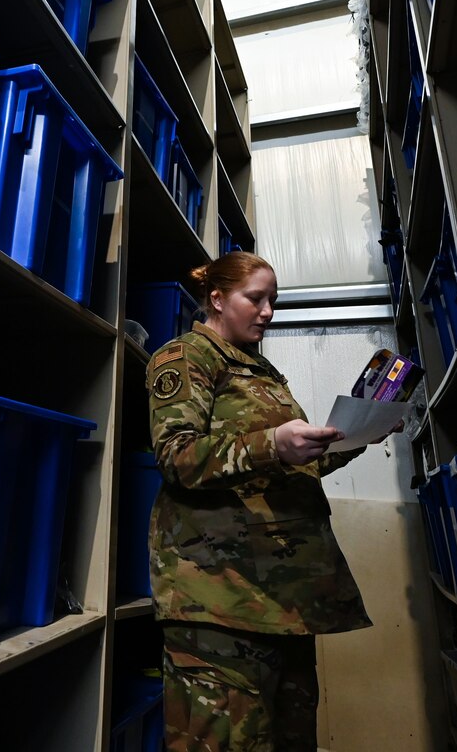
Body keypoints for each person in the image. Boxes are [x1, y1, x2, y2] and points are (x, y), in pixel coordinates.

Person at [145, 251, 381, 751]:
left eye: (272, 300)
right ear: (216, 298)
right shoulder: (185, 357)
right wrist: (273, 443)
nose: (268, 311)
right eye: (255, 298)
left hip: (284, 601)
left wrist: (358, 434)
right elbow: (178, 457)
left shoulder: (261, 369)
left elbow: (297, 466)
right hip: (218, 599)